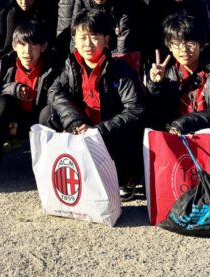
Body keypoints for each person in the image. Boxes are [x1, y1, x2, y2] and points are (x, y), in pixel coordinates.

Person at [44, 11, 147, 197]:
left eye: (94, 37)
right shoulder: (71, 65)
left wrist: (99, 130)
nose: (87, 44)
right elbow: (54, 91)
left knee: (131, 128)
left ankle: (127, 177)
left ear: (106, 40)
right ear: (75, 40)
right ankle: (62, 169)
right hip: (82, 125)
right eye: (82, 37)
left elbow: (135, 110)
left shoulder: (121, 69)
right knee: (47, 115)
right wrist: (75, 122)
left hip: (107, 129)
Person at [0, 21, 62, 193]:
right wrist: (12, 88)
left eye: (33, 45)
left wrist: (23, 127)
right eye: (22, 45)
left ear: (43, 47)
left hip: (37, 121)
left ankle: (51, 169)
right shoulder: (6, 63)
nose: (27, 51)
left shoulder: (53, 67)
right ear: (14, 45)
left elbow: (57, 102)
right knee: (2, 103)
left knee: (50, 112)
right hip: (11, 121)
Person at [145, 12, 210, 133]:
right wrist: (155, 85)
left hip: (208, 135)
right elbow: (154, 115)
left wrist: (187, 121)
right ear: (169, 47)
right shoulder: (167, 75)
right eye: (177, 44)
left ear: (202, 45)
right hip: (174, 136)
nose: (183, 49)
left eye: (190, 43)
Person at [75, 0, 146, 63]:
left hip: (132, 39)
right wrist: (77, 61)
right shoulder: (82, 1)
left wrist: (119, 63)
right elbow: (76, 33)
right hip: (101, 40)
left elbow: (124, 34)